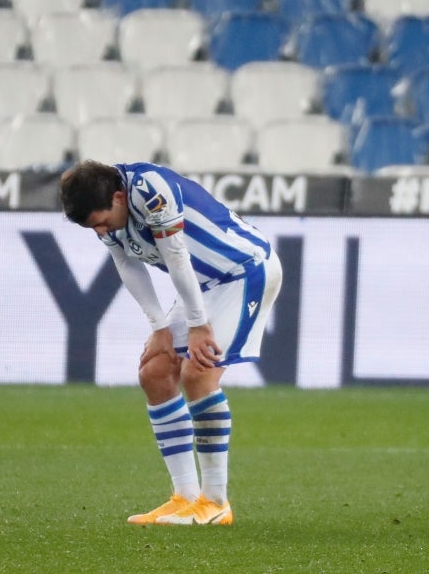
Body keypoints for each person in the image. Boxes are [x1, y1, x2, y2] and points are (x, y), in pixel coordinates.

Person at [59, 160, 282, 525]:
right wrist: (159, 327)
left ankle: (216, 502)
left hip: (243, 271)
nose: (99, 230)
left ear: (118, 197)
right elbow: (127, 263)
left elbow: (176, 255)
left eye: (101, 221)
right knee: (155, 371)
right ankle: (185, 496)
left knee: (199, 372)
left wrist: (197, 325)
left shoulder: (150, 189)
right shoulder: (103, 210)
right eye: (91, 227)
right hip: (205, 285)